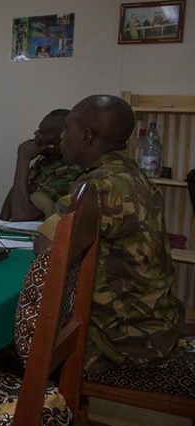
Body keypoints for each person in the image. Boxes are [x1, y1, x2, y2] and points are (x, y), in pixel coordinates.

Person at [35, 94, 184, 373]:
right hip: (157, 326)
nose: (62, 136)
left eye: (68, 128)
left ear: (86, 136)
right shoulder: (134, 176)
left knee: (0, 342)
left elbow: (47, 256)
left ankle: (39, 410)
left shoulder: (97, 187)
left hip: (120, 342)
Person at [0, 109, 81, 221]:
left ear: (58, 141)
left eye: (43, 132)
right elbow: (17, 192)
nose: (36, 134)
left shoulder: (72, 171)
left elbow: (23, 216)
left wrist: (23, 160)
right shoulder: (46, 159)